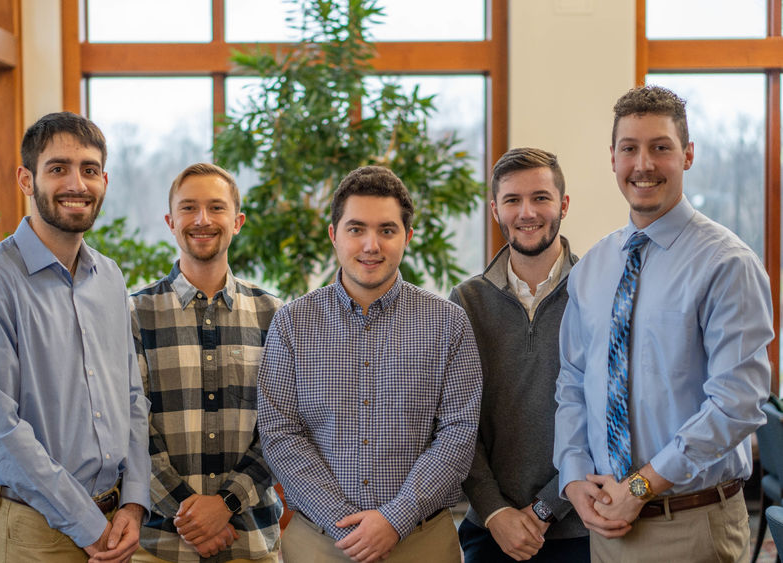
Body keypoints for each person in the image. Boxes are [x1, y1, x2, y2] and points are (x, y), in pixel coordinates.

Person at [554, 85, 774, 562]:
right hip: (604, 525)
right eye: (630, 149)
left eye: (661, 148)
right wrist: (573, 477)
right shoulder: (592, 267)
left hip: (691, 526)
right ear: (612, 158)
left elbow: (738, 402)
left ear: (687, 155)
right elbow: (572, 381)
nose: (643, 164)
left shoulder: (727, 264)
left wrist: (641, 485)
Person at [0, 112, 150, 563]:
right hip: (33, 533)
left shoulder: (110, 278)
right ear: (26, 178)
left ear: (104, 180)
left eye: (89, 170)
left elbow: (132, 398)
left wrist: (134, 502)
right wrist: (86, 522)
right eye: (58, 168)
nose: (77, 183)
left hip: (116, 526)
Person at [257, 165, 483, 563]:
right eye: (356, 228)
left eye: (387, 230)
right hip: (318, 543)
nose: (371, 244)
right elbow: (280, 433)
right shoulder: (292, 323)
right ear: (334, 235)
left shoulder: (448, 323)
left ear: (407, 237)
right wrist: (349, 524)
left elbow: (458, 434)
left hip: (422, 541)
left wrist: (394, 519)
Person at [129, 163, 283, 563]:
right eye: (188, 208)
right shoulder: (134, 314)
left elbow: (283, 429)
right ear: (170, 221)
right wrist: (190, 518)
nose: (202, 220)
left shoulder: (275, 315)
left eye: (216, 208)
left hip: (250, 541)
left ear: (237, 222)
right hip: (158, 545)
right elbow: (129, 429)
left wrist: (226, 504)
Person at [451, 147, 588, 562]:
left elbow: (608, 414)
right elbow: (456, 420)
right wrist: (494, 511)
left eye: (540, 198)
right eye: (512, 200)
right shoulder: (466, 300)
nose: (526, 212)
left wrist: (547, 508)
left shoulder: (596, 291)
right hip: (489, 528)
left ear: (563, 204)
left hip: (580, 527)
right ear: (496, 210)